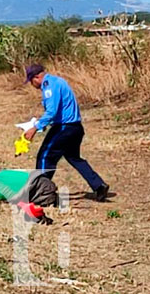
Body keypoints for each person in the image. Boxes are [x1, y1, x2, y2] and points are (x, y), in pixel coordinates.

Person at [22, 64, 109, 202]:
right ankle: (99, 185)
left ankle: (41, 192)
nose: (32, 85)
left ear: (36, 77)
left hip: (64, 128)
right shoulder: (58, 81)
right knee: (74, 157)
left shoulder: (49, 86)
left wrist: (35, 128)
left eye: (31, 81)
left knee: (45, 156)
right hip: (75, 127)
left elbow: (51, 111)